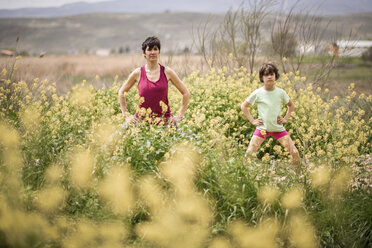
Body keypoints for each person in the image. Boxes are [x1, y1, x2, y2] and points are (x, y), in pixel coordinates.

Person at [241, 62, 300, 172]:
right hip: (262, 129)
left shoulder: (281, 92)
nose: (269, 77)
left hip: (278, 129)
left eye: (272, 74)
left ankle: (300, 175)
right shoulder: (258, 93)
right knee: (249, 153)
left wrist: (285, 118)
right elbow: (244, 106)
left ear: (275, 76)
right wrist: (253, 120)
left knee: (294, 152)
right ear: (262, 78)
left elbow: (291, 105)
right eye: (266, 74)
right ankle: (244, 175)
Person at [118, 36, 190, 126]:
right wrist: (126, 116)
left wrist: (180, 116)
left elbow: (186, 93)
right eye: (149, 49)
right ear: (144, 53)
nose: (152, 52)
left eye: (155, 49)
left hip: (165, 122)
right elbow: (121, 92)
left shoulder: (167, 72)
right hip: (141, 121)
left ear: (159, 52)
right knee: (117, 137)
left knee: (186, 138)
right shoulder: (138, 73)